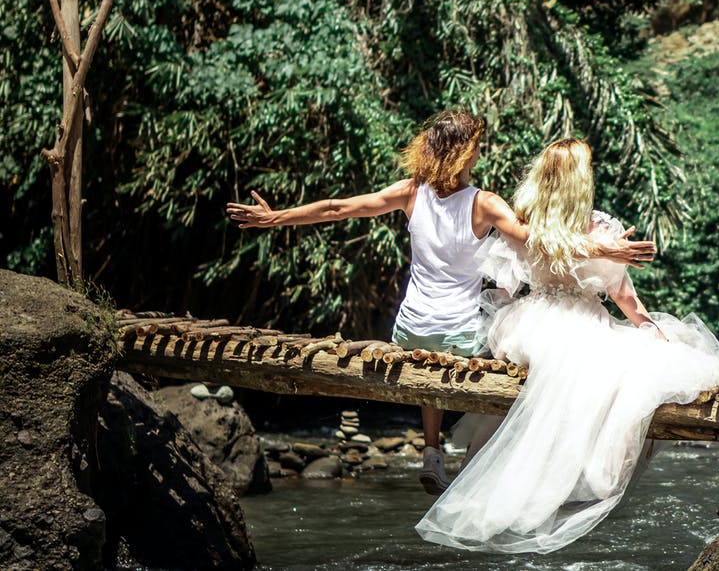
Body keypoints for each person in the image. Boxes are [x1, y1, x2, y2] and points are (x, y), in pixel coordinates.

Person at [225, 112, 657, 495]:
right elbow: (536, 242)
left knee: (426, 357)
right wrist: (607, 250)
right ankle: (487, 456)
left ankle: (432, 450)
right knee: (494, 343)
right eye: (476, 148)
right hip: (464, 333)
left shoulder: (409, 192)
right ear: (464, 153)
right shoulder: (485, 203)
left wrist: (275, 217)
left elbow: (339, 208)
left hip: (410, 328)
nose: (479, 156)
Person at [415, 137, 719, 553]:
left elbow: (505, 287)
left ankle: (513, 480)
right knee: (627, 367)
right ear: (580, 179)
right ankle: (570, 483)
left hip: (528, 322)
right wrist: (649, 327)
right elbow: (625, 298)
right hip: (579, 318)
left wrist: (497, 326)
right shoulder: (600, 227)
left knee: (582, 367)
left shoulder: (522, 219)